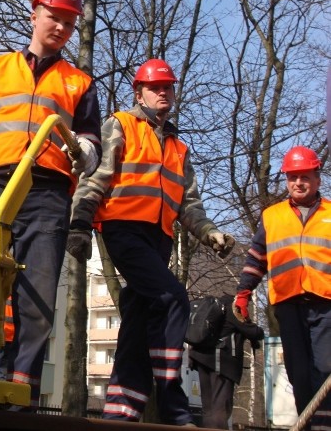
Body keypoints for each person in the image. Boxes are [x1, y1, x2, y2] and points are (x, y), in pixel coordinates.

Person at [0, 0, 102, 408]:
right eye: (53, 16)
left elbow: (92, 141)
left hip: (46, 192)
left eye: (69, 22)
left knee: (36, 296)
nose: (60, 27)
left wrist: (87, 149)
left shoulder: (79, 83)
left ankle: (20, 393)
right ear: (34, 15)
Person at [66, 58, 235, 426]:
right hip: (123, 230)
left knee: (138, 323)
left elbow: (189, 205)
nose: (163, 92)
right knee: (172, 297)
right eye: (155, 87)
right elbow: (96, 177)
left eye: (168, 87)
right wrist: (79, 222)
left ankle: (120, 413)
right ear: (138, 92)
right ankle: (173, 401)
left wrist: (210, 233)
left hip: (158, 239)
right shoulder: (121, 124)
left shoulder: (179, 148)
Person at [232, 146, 330, 430]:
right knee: (299, 375)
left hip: (326, 304)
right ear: (287, 180)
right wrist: (243, 292)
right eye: (293, 177)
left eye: (305, 176)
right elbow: (256, 258)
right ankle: (308, 424)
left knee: (325, 370)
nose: (298, 182)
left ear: (317, 179)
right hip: (287, 305)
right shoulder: (271, 216)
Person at [187, 294, 265, 429]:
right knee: (221, 408)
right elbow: (254, 332)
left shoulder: (218, 304)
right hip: (221, 363)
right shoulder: (234, 307)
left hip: (201, 359)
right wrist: (255, 328)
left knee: (208, 408)